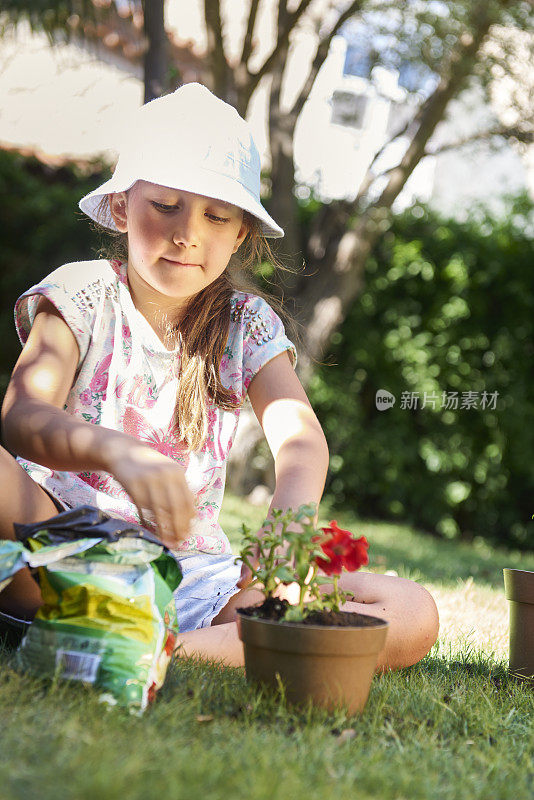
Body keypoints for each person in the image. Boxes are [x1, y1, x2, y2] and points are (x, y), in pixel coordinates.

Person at [0, 83, 438, 669]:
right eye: (166, 206)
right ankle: (182, 643)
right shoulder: (82, 294)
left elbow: (302, 442)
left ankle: (159, 651)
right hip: (67, 560)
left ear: (241, 234)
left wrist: (284, 544)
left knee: (411, 610)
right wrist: (120, 454)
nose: (189, 234)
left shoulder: (244, 324)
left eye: (216, 215)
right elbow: (23, 418)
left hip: (196, 587)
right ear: (124, 206)